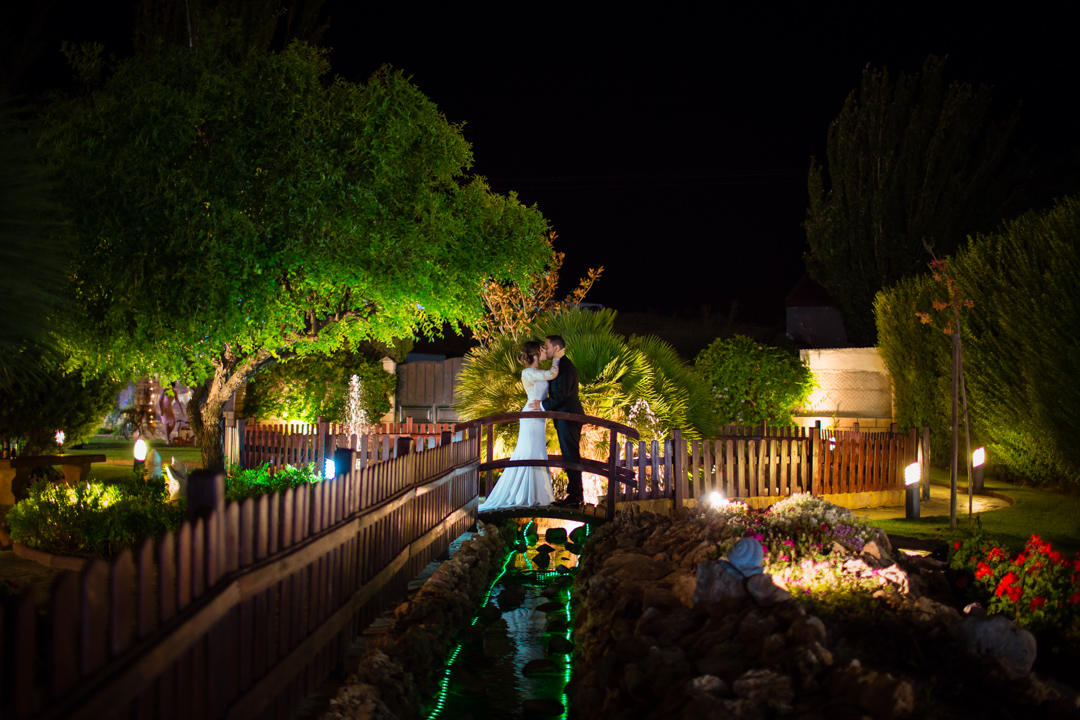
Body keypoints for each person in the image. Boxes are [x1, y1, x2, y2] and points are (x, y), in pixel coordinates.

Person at [478, 340, 560, 511]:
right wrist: (557, 358)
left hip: (538, 414)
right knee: (528, 450)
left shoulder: (537, 371)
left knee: (537, 450)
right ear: (536, 355)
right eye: (542, 349)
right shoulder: (528, 372)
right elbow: (553, 374)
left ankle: (537, 494)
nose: (545, 351)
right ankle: (524, 494)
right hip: (531, 414)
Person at [537, 334, 584, 505]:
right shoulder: (560, 365)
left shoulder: (566, 367)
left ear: (556, 348)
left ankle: (576, 496)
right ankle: (575, 495)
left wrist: (542, 405)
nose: (545, 349)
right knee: (569, 455)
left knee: (571, 455)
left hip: (569, 416)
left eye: (547, 346)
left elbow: (561, 394)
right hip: (565, 417)